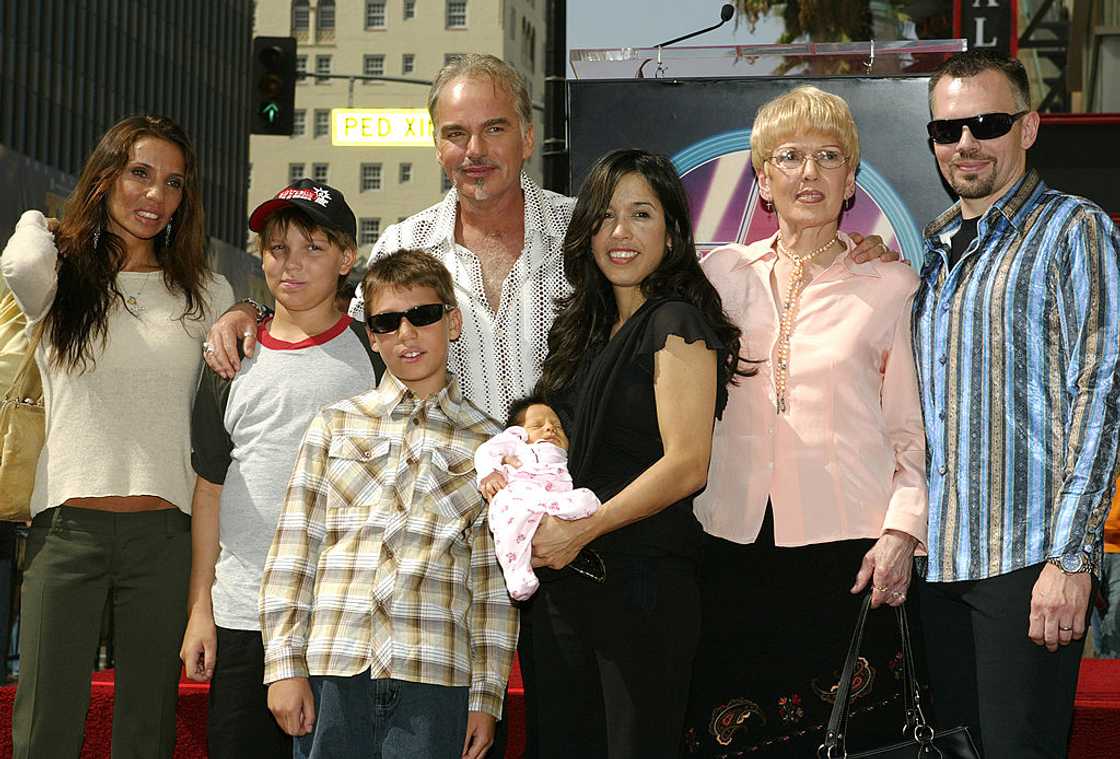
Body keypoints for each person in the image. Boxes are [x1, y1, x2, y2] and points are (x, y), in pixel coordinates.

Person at [682, 85, 928, 758]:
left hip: (849, 558)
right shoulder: (718, 275)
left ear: (851, 179)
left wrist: (903, 531)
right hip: (728, 549)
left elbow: (913, 430)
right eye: (788, 156)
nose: (809, 172)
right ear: (762, 179)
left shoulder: (892, 285)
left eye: (828, 156)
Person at [1, 114, 234, 758]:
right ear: (104, 179)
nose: (156, 195)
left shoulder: (205, 293)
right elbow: (18, 260)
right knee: (44, 721)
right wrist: (43, 223)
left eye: (173, 183)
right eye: (139, 174)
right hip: (64, 529)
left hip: (165, 535)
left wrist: (246, 309)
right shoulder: (56, 278)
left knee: (146, 727)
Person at [914, 48, 1120, 757]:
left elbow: (1102, 390)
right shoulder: (935, 251)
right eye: (947, 130)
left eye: (987, 122)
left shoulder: (1075, 230)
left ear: (1028, 128)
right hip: (938, 567)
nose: (965, 142)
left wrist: (1071, 557)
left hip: (1029, 565)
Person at [522, 148, 746, 758]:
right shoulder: (582, 332)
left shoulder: (674, 322)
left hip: (641, 593)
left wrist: (583, 530)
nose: (619, 234)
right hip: (564, 593)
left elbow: (686, 465)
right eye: (604, 217)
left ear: (672, 231)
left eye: (641, 214)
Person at [258, 249, 518, 759]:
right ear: (372, 335)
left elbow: (493, 586)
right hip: (334, 667)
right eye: (387, 321)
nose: (407, 333)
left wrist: (486, 697)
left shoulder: (491, 444)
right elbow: (294, 551)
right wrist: (284, 667)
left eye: (423, 315)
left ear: (453, 320)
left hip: (437, 678)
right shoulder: (334, 426)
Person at [180, 180, 383, 759]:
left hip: (344, 616)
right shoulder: (230, 360)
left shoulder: (375, 354)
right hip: (245, 613)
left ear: (347, 257)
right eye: (277, 248)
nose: (291, 264)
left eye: (313, 248)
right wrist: (201, 608)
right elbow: (209, 491)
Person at [475, 396, 601, 601]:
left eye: (557, 426)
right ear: (518, 433)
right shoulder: (518, 446)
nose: (550, 429)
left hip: (551, 502)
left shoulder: (566, 458)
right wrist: (490, 472)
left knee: (587, 498)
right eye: (537, 425)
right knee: (510, 530)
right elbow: (487, 450)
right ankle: (517, 574)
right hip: (519, 497)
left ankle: (563, 511)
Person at [1093, 490, 1120, 657]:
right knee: (1095, 613)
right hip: (1090, 549)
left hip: (1117, 551)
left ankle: (1107, 665)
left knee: (1114, 618)